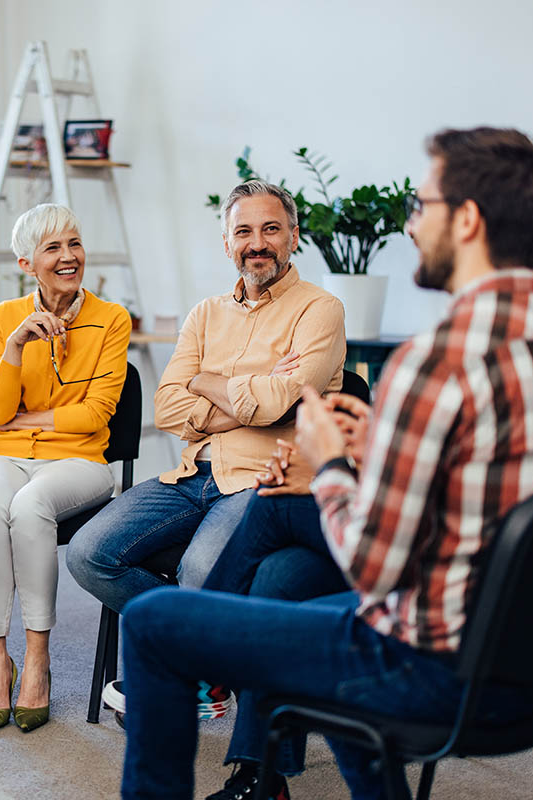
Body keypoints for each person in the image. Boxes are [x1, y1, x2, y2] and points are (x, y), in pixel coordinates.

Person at [116, 127, 533, 800]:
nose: (411, 227)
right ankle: (254, 755)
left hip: (431, 664)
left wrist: (331, 464)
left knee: (153, 623)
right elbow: (503, 487)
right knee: (278, 564)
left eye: (422, 207)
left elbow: (376, 567)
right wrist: (379, 453)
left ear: (467, 221)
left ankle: (206, 657)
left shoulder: (438, 361)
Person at [66, 180, 346, 714]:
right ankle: (209, 660)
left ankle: (181, 671)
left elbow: (278, 403)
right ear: (226, 243)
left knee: (201, 572)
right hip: (192, 473)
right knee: (88, 554)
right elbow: (167, 408)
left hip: (267, 478)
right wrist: (250, 394)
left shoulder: (321, 309)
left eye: (271, 229)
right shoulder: (205, 314)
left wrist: (207, 381)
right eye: (243, 232)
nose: (257, 243)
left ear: (293, 237)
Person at [0, 204, 131, 734]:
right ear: (27, 263)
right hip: (0, 455)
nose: (68, 256)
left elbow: (96, 414)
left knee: (31, 505)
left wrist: (28, 418)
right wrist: (15, 345)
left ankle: (37, 660)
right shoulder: (2, 319)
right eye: (53, 248)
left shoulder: (112, 319)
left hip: (80, 460)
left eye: (74, 243)